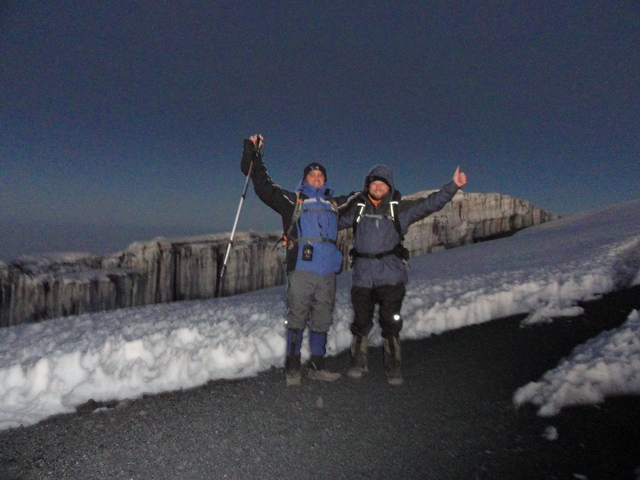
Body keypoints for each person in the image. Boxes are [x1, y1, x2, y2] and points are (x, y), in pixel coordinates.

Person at [240, 134, 358, 387]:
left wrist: (378, 187)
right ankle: (292, 366)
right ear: (304, 179)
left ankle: (317, 365)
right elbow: (264, 187)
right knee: (297, 317)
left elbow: (358, 198)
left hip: (328, 273)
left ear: (325, 180)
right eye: (312, 174)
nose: (317, 177)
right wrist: (253, 153)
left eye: (320, 175)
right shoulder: (294, 200)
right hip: (302, 271)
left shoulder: (333, 204)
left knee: (323, 318)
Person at [338, 164, 468, 385]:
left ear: (389, 187)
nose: (377, 187)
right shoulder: (358, 209)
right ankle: (358, 362)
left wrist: (453, 186)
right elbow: (329, 222)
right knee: (361, 321)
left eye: (382, 183)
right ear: (368, 185)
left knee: (390, 321)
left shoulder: (400, 209)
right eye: (374, 183)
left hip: (391, 275)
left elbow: (430, 204)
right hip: (362, 275)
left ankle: (393, 366)